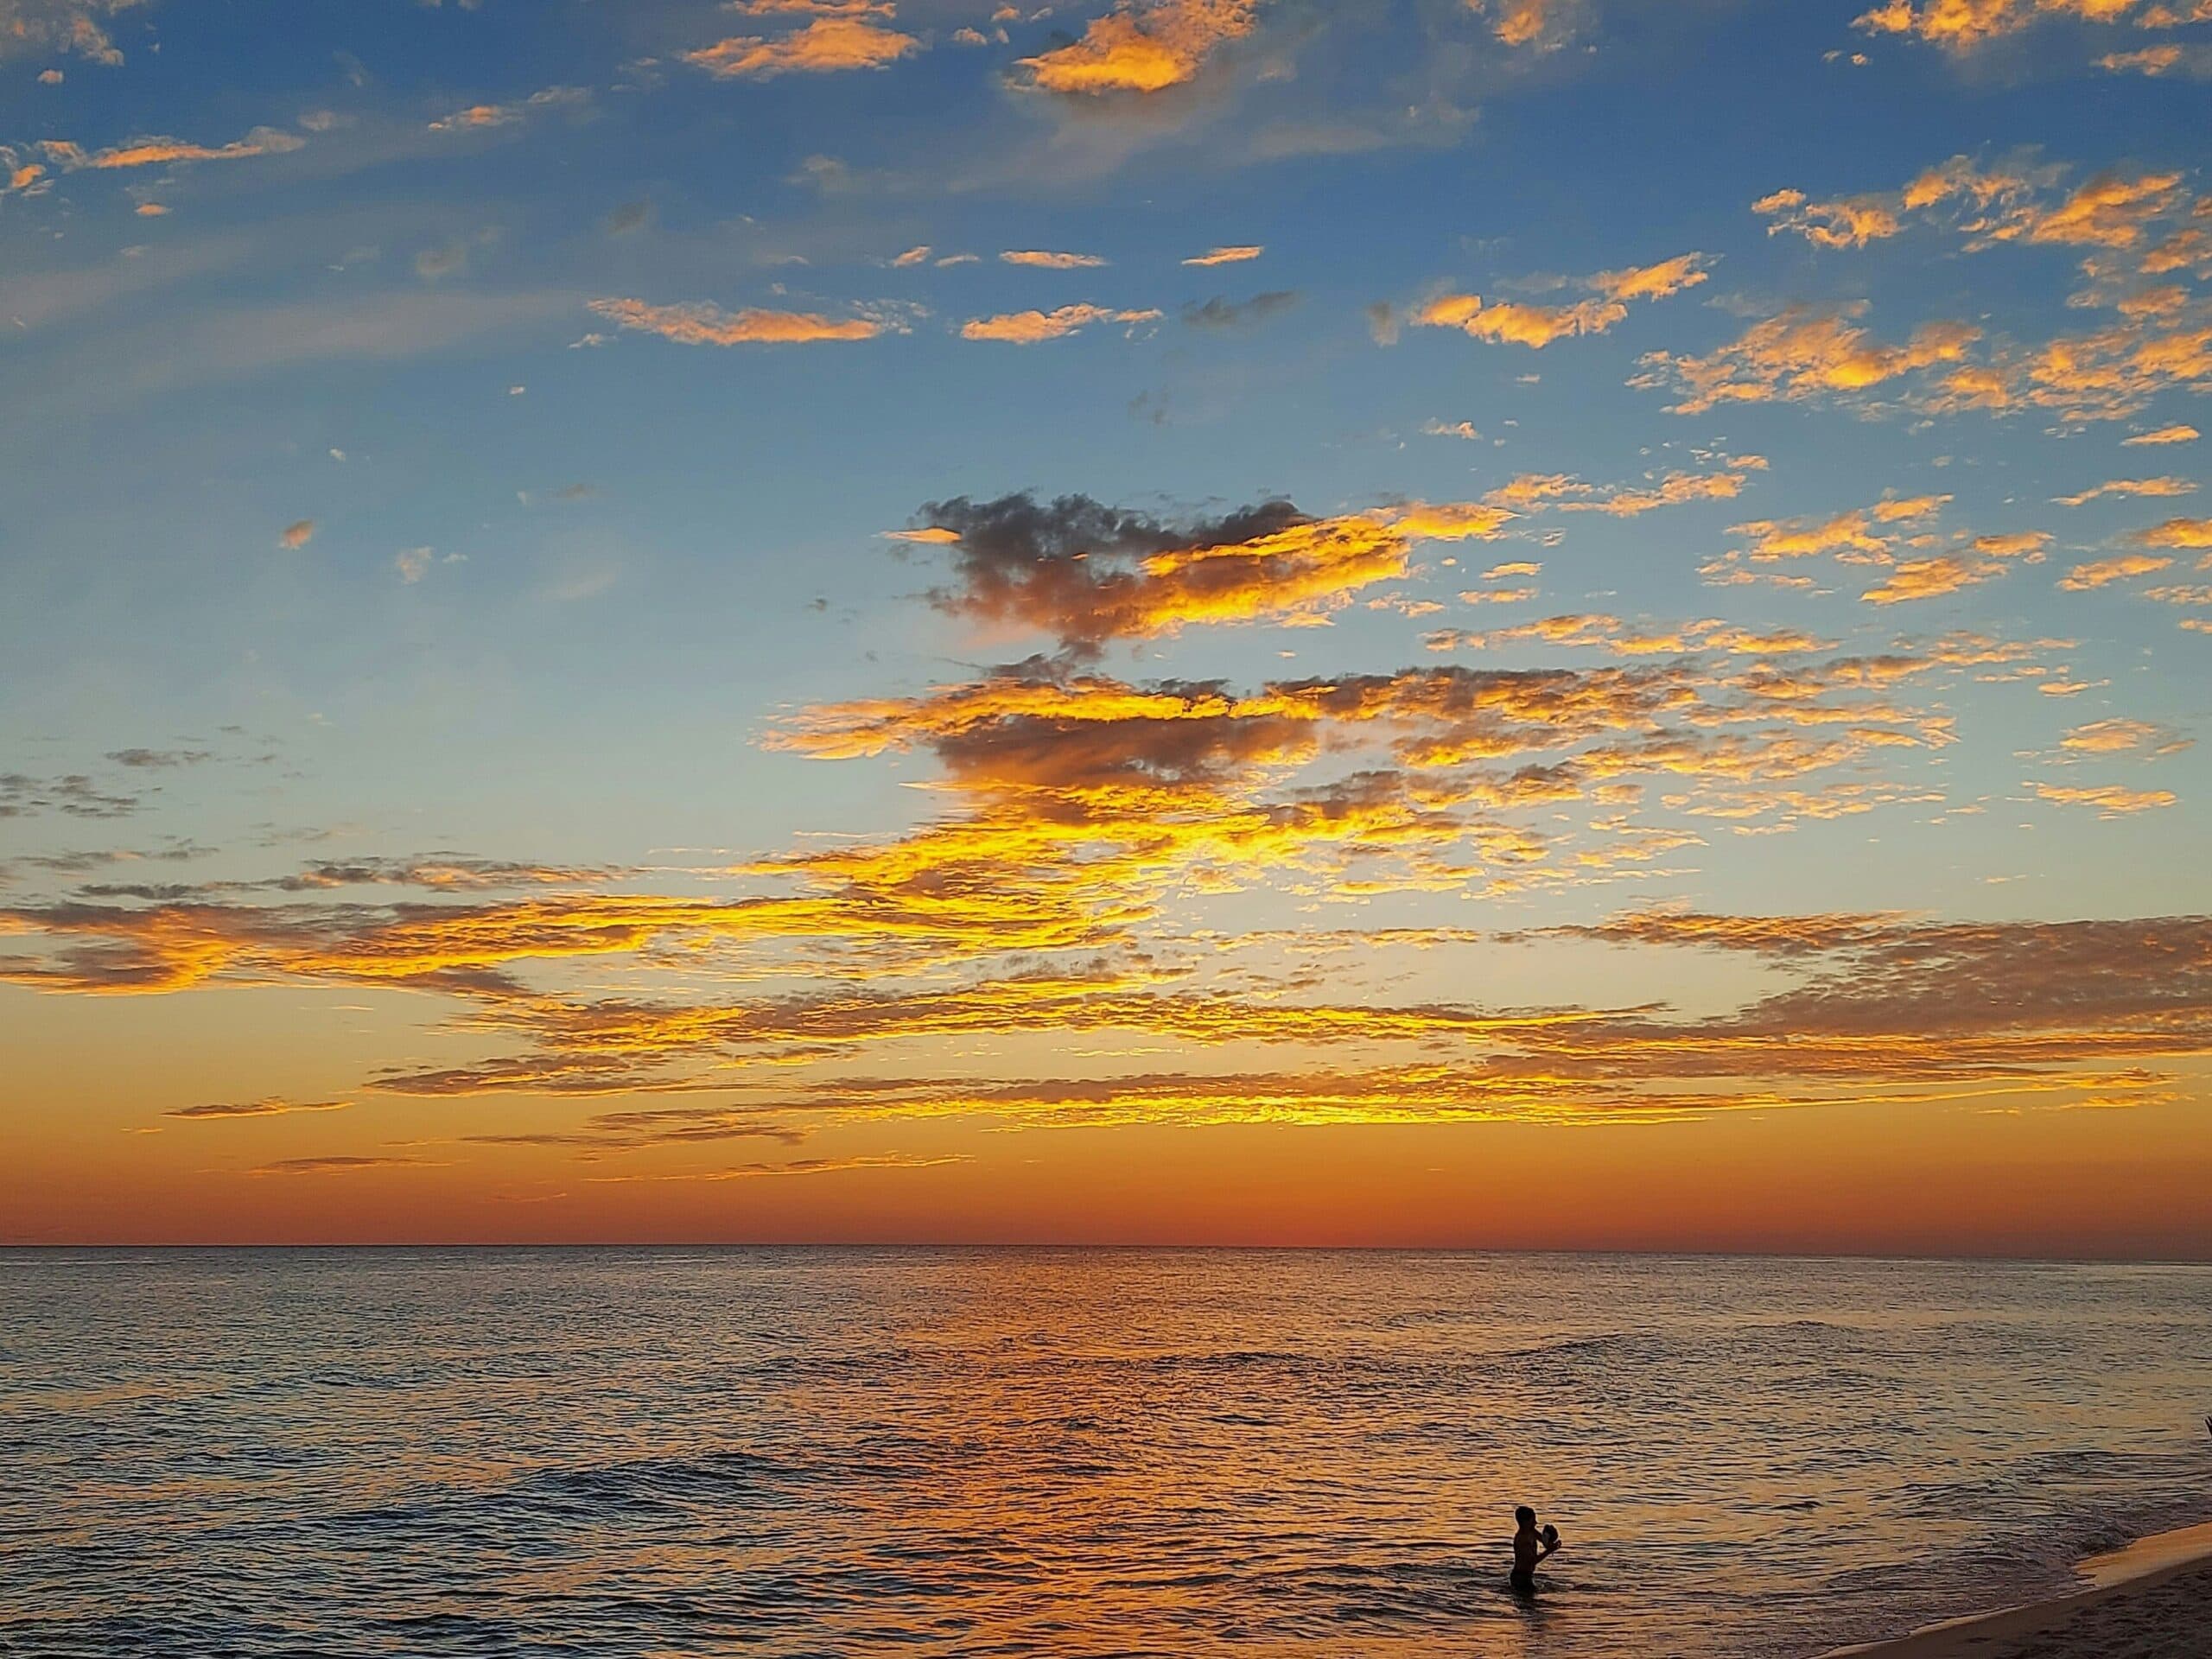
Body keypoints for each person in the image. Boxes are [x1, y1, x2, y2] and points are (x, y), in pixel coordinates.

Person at [1511, 1505, 1559, 1596]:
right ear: (1525, 1522)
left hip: (1528, 1575)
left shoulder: (1532, 1531)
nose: (1536, 1522)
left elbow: (1545, 1543)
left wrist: (1551, 1536)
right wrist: (1549, 1551)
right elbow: (1532, 1561)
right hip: (1520, 1577)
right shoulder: (1522, 1539)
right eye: (1533, 1520)